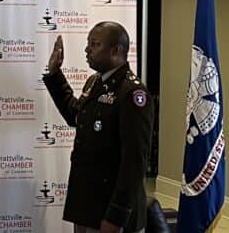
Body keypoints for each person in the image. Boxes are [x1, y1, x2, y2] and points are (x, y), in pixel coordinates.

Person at [43, 22, 154, 233]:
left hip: (111, 211)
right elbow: (75, 116)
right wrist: (55, 74)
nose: (87, 49)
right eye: (88, 43)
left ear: (115, 50)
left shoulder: (132, 93)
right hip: (87, 205)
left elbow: (134, 162)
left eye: (94, 44)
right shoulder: (94, 82)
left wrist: (117, 216)